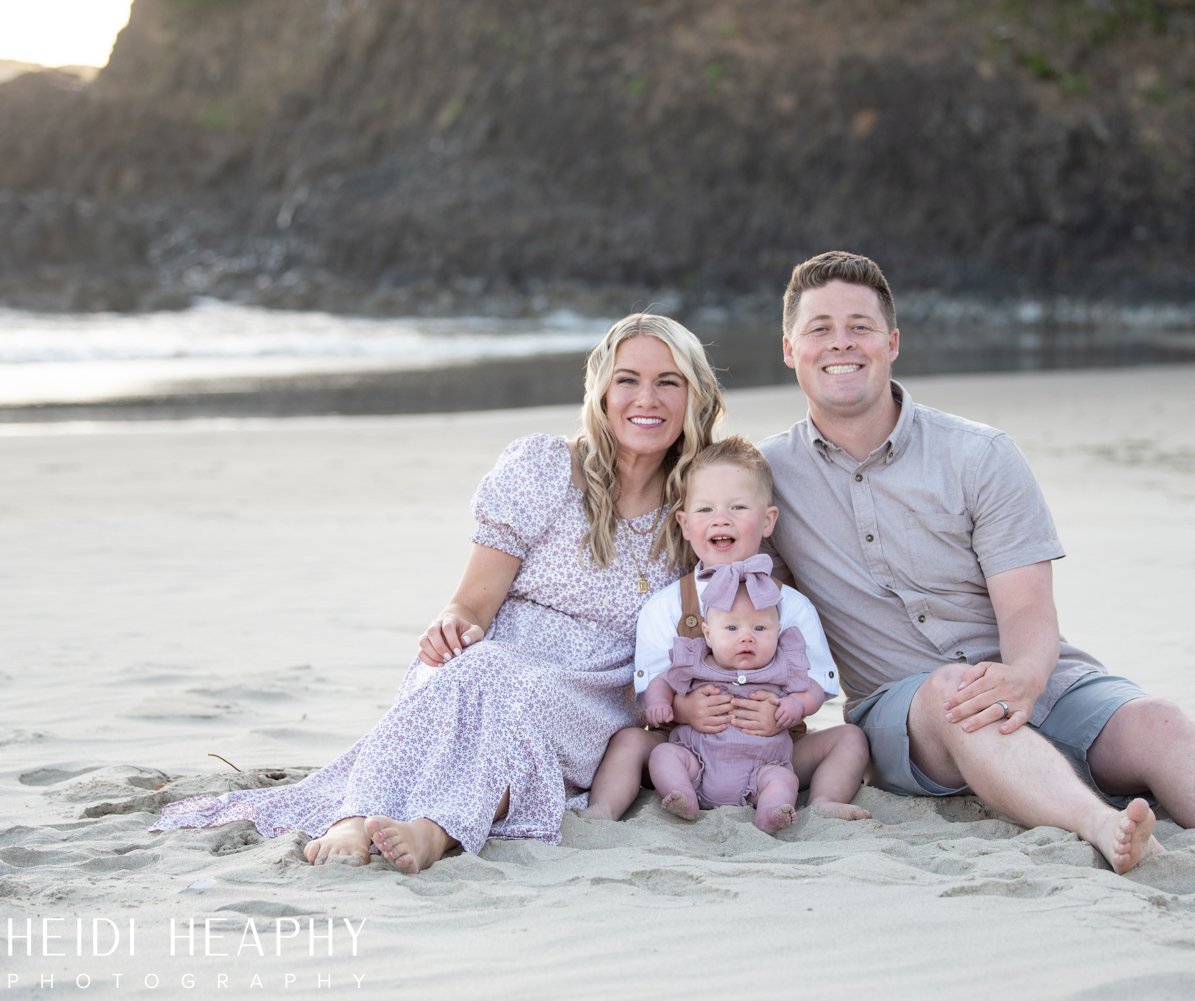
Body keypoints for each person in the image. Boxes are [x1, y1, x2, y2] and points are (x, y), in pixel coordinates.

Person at [759, 250, 1195, 874]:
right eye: (820, 330)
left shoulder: (979, 455)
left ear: (892, 342)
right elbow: (730, 589)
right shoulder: (766, 480)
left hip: (1036, 672)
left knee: (1156, 720)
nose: (841, 344)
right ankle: (1099, 825)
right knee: (958, 696)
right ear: (790, 349)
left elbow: (1028, 605)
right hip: (905, 717)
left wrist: (1026, 680)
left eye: (860, 327)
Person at [152, 313, 725, 872]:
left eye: (666, 382)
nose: (645, 398)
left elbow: (730, 613)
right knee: (462, 665)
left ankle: (436, 830)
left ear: (693, 396)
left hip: (594, 688)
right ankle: (355, 817)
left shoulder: (704, 506)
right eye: (627, 380)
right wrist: (453, 624)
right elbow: (472, 604)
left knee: (511, 691)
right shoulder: (544, 468)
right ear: (601, 392)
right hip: (495, 650)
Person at [586, 436, 870, 823]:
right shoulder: (668, 605)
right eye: (705, 509)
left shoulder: (793, 606)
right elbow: (649, 683)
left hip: (773, 750)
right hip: (691, 751)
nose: (721, 519)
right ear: (684, 524)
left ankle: (822, 800)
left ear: (768, 520)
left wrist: (792, 709)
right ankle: (610, 808)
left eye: (738, 507)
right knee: (630, 741)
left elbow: (818, 680)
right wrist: (682, 710)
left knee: (850, 738)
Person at [645, 574, 818, 834]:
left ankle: (770, 811)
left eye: (760, 629)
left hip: (760, 770)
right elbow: (662, 681)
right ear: (708, 634)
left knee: (784, 780)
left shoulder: (783, 664)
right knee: (663, 755)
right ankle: (682, 794)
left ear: (777, 632)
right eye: (732, 628)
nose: (747, 638)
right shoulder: (695, 661)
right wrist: (659, 701)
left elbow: (812, 689)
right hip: (698, 763)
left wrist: (798, 704)